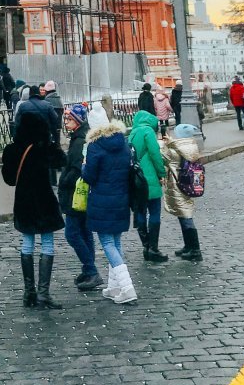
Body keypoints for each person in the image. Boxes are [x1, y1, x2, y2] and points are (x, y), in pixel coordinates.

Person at [2, 111, 67, 308]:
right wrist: (51, 141)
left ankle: (28, 293)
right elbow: (61, 161)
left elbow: (9, 179)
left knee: (27, 242)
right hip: (44, 201)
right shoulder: (43, 147)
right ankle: (43, 294)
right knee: (47, 243)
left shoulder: (12, 149)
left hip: (23, 202)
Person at [82, 117, 137, 304]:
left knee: (106, 242)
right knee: (116, 241)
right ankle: (114, 287)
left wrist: (83, 167)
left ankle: (127, 287)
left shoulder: (95, 146)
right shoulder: (123, 143)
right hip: (122, 199)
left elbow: (89, 176)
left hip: (102, 200)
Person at [58, 104, 101, 291]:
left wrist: (63, 182)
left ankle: (91, 270)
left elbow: (75, 168)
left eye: (69, 119)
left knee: (73, 233)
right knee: (84, 231)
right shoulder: (82, 137)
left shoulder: (78, 141)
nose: (66, 122)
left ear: (78, 121)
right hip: (82, 193)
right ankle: (89, 269)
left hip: (75, 193)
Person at [128, 109, 168, 264]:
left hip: (136, 178)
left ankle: (145, 246)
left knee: (140, 211)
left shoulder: (133, 133)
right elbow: (155, 154)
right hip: (149, 176)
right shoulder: (148, 131)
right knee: (155, 212)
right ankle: (153, 248)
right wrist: (162, 173)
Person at [162, 123, 204, 261]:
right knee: (184, 213)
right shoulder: (191, 145)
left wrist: (164, 144)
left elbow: (164, 158)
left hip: (177, 184)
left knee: (186, 216)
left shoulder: (175, 148)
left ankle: (195, 250)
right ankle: (188, 246)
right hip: (187, 184)